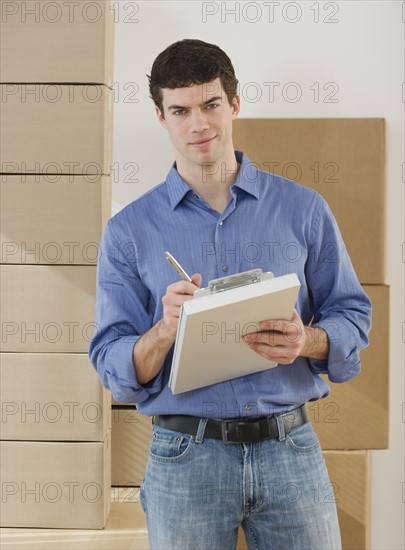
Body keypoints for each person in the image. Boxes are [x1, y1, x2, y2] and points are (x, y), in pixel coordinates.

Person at [89, 39, 372, 549]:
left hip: (291, 451)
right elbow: (114, 367)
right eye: (180, 110)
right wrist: (165, 328)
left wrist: (306, 341)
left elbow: (352, 313)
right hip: (184, 459)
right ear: (161, 117)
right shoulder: (128, 232)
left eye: (210, 105)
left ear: (234, 104)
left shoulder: (303, 209)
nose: (198, 124)